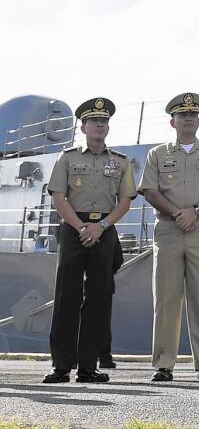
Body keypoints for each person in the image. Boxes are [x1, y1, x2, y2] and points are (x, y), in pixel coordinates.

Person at [138, 92, 199, 383]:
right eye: (183, 115)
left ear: (198, 120)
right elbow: (150, 190)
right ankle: (163, 364)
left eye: (192, 115)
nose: (188, 118)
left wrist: (196, 210)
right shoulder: (157, 153)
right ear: (172, 121)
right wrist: (179, 213)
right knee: (166, 298)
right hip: (168, 229)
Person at [43, 98, 135, 384]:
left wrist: (101, 226)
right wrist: (82, 226)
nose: (99, 125)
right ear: (83, 127)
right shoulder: (68, 158)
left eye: (104, 121)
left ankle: (88, 367)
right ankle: (61, 366)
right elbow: (59, 196)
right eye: (94, 121)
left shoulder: (120, 161)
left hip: (104, 229)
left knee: (98, 298)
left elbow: (126, 200)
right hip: (73, 227)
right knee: (66, 297)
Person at [99, 242, 124, 369]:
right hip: (104, 283)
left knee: (76, 319)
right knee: (102, 321)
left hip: (79, 285)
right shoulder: (107, 231)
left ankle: (73, 358)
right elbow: (118, 259)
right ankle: (104, 357)